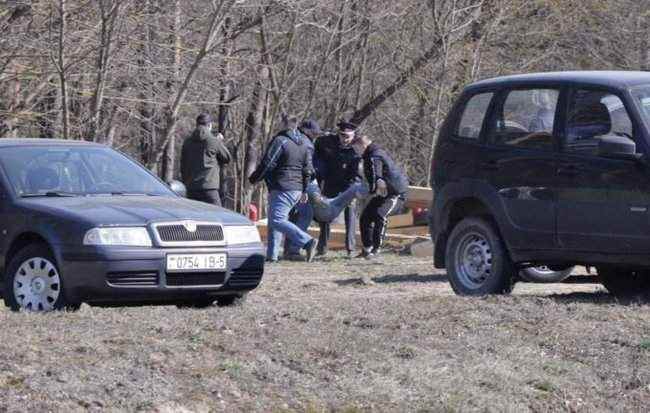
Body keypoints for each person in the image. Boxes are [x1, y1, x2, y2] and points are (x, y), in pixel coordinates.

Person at [249, 116, 318, 263]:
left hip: (283, 186)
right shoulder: (304, 144)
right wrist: (304, 189)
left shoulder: (280, 141)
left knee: (277, 219)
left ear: (283, 125)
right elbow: (308, 170)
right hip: (297, 188)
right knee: (276, 219)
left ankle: (307, 241)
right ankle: (272, 256)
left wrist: (254, 179)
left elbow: (268, 163)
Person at [351, 135, 409, 259]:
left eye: (356, 149)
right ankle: (367, 248)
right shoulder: (371, 153)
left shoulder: (374, 155)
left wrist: (375, 185)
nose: (356, 152)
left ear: (362, 146)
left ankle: (377, 250)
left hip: (395, 193)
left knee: (379, 215)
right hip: (383, 192)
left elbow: (376, 174)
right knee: (365, 217)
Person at [313, 120, 361, 257]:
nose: (344, 139)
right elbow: (318, 149)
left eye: (347, 136)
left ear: (353, 135)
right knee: (324, 216)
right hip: (330, 184)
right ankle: (322, 247)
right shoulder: (328, 143)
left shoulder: (357, 148)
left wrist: (353, 188)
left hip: (349, 185)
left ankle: (350, 248)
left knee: (350, 217)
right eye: (342, 135)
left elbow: (359, 172)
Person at [283, 119, 322, 260]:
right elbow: (307, 169)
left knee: (290, 216)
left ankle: (288, 250)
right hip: (299, 184)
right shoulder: (307, 144)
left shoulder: (292, 138)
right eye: (314, 133)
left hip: (288, 182)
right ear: (306, 130)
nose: (316, 136)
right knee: (305, 214)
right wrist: (306, 188)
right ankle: (294, 249)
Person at [180, 113, 231, 206]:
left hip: (191, 188)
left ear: (197, 125)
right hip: (209, 188)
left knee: (195, 218)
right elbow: (227, 158)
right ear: (209, 125)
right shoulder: (213, 141)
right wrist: (220, 142)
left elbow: (182, 165)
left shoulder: (187, 142)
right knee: (217, 216)